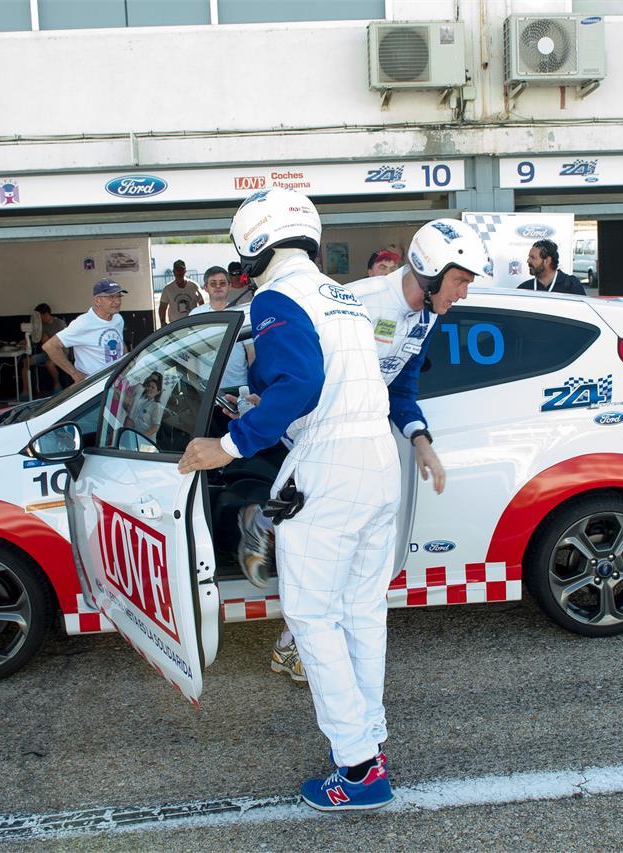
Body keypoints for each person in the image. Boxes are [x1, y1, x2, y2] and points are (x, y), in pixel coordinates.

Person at [178, 187, 399, 812]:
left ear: (252, 243)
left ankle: (357, 769)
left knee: (311, 617)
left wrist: (228, 445)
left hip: (329, 466)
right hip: (379, 461)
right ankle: (370, 742)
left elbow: (299, 385)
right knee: (361, 610)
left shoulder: (277, 296)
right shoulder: (340, 295)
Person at [244, 218, 490, 687]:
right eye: (460, 281)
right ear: (432, 270)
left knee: (342, 573)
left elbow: (402, 385)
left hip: (361, 448)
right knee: (329, 572)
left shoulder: (429, 315)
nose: (463, 293)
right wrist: (260, 389)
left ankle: (292, 638)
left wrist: (420, 440)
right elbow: (290, 363)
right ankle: (266, 527)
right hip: (316, 440)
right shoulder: (360, 300)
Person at [44, 279, 127, 384]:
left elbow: (120, 342)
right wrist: (75, 374)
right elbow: (50, 346)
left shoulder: (118, 319)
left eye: (119, 296)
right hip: (95, 386)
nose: (117, 301)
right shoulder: (83, 323)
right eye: (111, 297)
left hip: (117, 381)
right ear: (97, 300)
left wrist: (126, 363)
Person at [190, 266, 252, 388]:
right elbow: (190, 352)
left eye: (222, 283)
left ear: (229, 286)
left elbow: (251, 351)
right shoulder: (195, 315)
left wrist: (254, 383)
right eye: (213, 283)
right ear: (206, 288)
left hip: (239, 385)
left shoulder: (241, 313)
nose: (218, 286)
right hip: (207, 389)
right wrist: (194, 383)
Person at [22, 302, 67, 394]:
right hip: (46, 353)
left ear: (46, 314)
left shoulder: (60, 323)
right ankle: (26, 391)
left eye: (40, 317)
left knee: (49, 364)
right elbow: (39, 340)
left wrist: (48, 341)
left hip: (61, 353)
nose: (38, 320)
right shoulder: (41, 326)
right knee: (26, 362)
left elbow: (62, 342)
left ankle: (57, 385)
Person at [517, 239, 585, 295]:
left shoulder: (572, 285)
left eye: (533, 257)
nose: (528, 261)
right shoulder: (524, 289)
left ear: (547, 261)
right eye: (529, 257)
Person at [157, 259, 203, 326]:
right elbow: (162, 307)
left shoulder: (194, 286)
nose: (179, 272)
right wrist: (162, 322)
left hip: (192, 323)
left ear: (185, 271)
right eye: (177, 270)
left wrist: (201, 319)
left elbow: (201, 303)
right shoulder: (168, 288)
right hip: (175, 325)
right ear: (173, 272)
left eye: (181, 270)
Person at [123, 371, 165, 436]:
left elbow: (156, 426)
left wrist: (142, 436)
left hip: (141, 437)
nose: (150, 388)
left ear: (158, 391)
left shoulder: (157, 405)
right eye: (151, 379)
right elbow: (127, 399)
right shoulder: (145, 398)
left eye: (153, 387)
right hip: (130, 427)